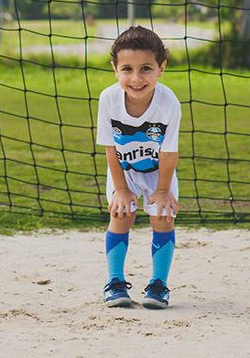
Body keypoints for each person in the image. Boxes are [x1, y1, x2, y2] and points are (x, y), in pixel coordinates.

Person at [95, 25, 181, 309]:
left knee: (163, 217)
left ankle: (158, 285)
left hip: (159, 172)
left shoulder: (169, 103)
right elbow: (110, 147)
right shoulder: (108, 99)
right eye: (127, 69)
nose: (136, 78)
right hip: (124, 171)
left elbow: (169, 152)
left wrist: (163, 190)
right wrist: (120, 189)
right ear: (115, 69)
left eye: (146, 68)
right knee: (122, 215)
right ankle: (115, 283)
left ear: (161, 68)